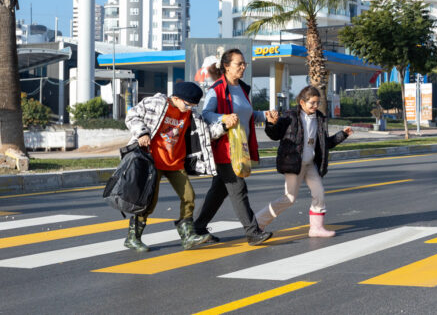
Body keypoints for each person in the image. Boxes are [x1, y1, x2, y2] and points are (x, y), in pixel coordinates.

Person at [123, 81, 221, 252]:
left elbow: (205, 134)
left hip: (176, 163)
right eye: (188, 104)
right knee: (149, 201)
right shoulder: (155, 103)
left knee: (189, 196)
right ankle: (133, 237)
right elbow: (132, 116)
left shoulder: (191, 114)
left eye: (193, 105)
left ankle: (188, 236)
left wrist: (224, 126)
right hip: (153, 162)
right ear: (176, 98)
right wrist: (142, 133)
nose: (190, 108)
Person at [192, 48, 276, 245]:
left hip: (241, 147)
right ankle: (252, 232)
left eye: (244, 63)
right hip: (225, 149)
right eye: (239, 64)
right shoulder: (217, 89)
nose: (243, 67)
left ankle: (197, 227)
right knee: (239, 189)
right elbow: (206, 114)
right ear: (226, 67)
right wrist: (224, 118)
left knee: (218, 191)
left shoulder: (242, 88)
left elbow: (247, 115)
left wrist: (265, 115)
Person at [256, 85, 352, 237]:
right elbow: (275, 135)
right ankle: (258, 222)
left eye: (317, 103)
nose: (315, 106)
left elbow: (324, 144)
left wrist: (342, 135)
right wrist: (271, 123)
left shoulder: (319, 118)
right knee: (289, 198)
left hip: (310, 164)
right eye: (312, 103)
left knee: (319, 193)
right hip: (294, 163)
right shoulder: (290, 116)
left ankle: (316, 228)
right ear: (302, 102)